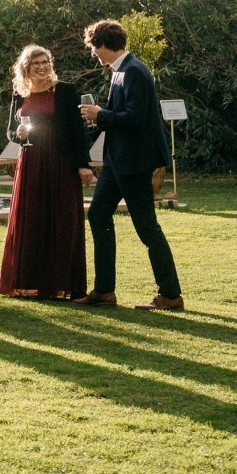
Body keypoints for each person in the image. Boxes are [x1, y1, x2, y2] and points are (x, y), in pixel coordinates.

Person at [79, 19, 184, 310]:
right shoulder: (120, 70)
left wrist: (101, 114)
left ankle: (171, 294)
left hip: (135, 163)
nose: (92, 54)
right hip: (116, 161)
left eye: (93, 47)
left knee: (147, 228)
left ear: (103, 45)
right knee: (98, 214)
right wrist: (98, 116)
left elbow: (135, 119)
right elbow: (120, 115)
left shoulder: (135, 71)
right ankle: (104, 291)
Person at [0, 44, 91, 299]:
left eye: (45, 62)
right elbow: (10, 131)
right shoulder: (19, 94)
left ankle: (64, 284)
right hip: (31, 162)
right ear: (26, 67)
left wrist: (84, 164)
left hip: (61, 162)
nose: (42, 67)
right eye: (36, 63)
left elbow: (77, 131)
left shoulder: (65, 91)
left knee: (64, 220)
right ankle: (29, 282)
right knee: (32, 219)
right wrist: (18, 134)